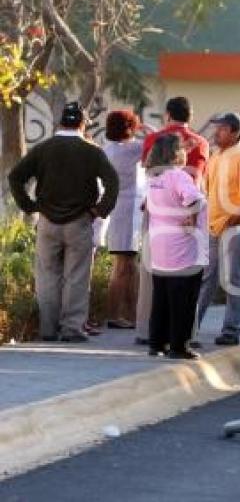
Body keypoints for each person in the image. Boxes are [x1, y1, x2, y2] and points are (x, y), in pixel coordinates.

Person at [8, 101, 119, 342]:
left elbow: (15, 177)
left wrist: (29, 206)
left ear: (60, 122)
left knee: (47, 276)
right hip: (80, 221)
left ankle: (48, 329)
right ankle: (72, 329)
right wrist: (100, 210)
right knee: (77, 277)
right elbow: (113, 182)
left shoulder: (43, 148)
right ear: (82, 123)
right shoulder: (92, 151)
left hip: (47, 221)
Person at [136, 97, 208, 347]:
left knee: (154, 281)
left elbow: (145, 170)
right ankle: (184, 337)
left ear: (167, 114)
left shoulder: (153, 141)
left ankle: (149, 333)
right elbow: (199, 184)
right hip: (185, 213)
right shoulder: (201, 143)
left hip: (157, 212)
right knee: (185, 287)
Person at [195, 112, 240, 346]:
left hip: (234, 227)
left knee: (234, 280)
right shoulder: (216, 155)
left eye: (221, 129)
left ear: (234, 132)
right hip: (213, 225)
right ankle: (191, 328)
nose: (215, 133)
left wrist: (231, 220)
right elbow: (208, 191)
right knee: (206, 279)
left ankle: (230, 330)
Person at [103, 110, 150, 330]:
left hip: (119, 211)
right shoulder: (132, 149)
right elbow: (161, 143)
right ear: (130, 127)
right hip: (128, 212)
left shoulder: (109, 148)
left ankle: (130, 315)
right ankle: (114, 315)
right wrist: (148, 128)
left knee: (128, 265)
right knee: (123, 266)